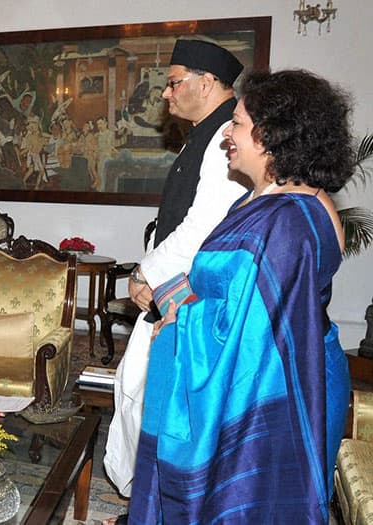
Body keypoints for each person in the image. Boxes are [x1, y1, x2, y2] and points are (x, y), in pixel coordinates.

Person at [129, 69, 353, 524]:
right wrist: (178, 297)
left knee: (249, 503)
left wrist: (178, 321)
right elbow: (231, 288)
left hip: (278, 381)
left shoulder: (289, 217)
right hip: (265, 368)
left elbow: (254, 329)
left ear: (271, 136)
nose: (227, 134)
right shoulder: (259, 199)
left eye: (238, 124)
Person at [103, 40, 249, 519]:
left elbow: (203, 226)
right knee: (138, 398)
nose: (166, 94)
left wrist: (147, 272)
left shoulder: (226, 133)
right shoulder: (205, 135)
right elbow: (175, 220)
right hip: (172, 291)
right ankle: (141, 503)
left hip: (187, 298)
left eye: (173, 82)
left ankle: (150, 506)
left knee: (156, 406)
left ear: (206, 83)